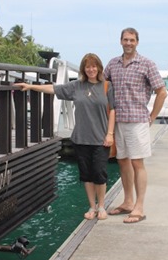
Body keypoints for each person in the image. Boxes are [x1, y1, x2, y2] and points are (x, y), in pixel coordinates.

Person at [14, 53, 115, 221]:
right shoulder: (76, 86)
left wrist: (110, 133)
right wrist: (31, 87)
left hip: (101, 139)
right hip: (80, 138)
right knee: (86, 175)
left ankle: (102, 206)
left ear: (99, 67)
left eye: (94, 66)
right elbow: (53, 89)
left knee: (99, 173)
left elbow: (113, 110)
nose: (91, 69)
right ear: (84, 69)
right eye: (88, 66)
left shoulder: (107, 86)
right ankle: (92, 206)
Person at [104, 27, 168, 223]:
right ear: (120, 41)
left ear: (137, 42)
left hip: (137, 120)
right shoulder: (113, 64)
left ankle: (139, 207)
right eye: (125, 40)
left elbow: (162, 92)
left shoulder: (146, 64)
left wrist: (153, 116)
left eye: (132, 40)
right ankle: (128, 202)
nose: (128, 43)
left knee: (137, 163)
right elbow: (102, 86)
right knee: (122, 161)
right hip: (118, 121)